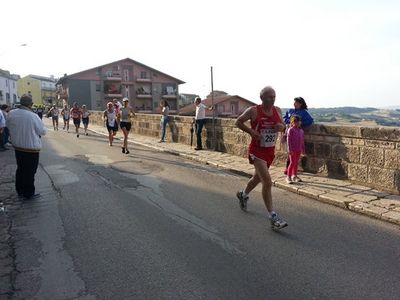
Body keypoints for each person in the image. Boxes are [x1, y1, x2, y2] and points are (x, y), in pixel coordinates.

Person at [235, 86, 288, 229]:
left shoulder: (277, 110)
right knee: (267, 181)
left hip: (270, 151)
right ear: (262, 98)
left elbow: (283, 126)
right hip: (257, 150)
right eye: (270, 96)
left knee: (257, 178)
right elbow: (238, 122)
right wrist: (251, 131)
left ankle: (243, 194)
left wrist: (280, 127)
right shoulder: (253, 111)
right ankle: (273, 216)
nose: (273, 99)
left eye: (274, 96)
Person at [7, 95, 47, 200]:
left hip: (17, 147)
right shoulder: (33, 116)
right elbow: (42, 131)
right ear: (30, 104)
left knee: (20, 169)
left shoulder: (11, 113)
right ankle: (28, 193)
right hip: (31, 148)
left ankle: (19, 190)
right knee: (30, 171)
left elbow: (8, 126)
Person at [283, 97, 313, 174]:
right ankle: (288, 169)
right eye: (294, 102)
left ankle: (292, 170)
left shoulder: (303, 112)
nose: (294, 103)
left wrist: (300, 124)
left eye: (296, 102)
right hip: (289, 133)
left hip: (297, 135)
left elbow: (310, 120)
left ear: (300, 103)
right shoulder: (290, 111)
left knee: (295, 153)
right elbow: (285, 118)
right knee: (289, 152)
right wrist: (290, 121)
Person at [286, 115, 305, 184]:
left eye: (298, 121)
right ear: (292, 122)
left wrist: (303, 150)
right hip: (292, 150)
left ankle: (294, 175)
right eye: (295, 122)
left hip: (298, 150)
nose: (297, 123)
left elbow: (302, 141)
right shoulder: (290, 130)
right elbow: (288, 140)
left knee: (296, 163)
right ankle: (288, 176)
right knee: (292, 162)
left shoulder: (301, 131)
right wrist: (289, 150)